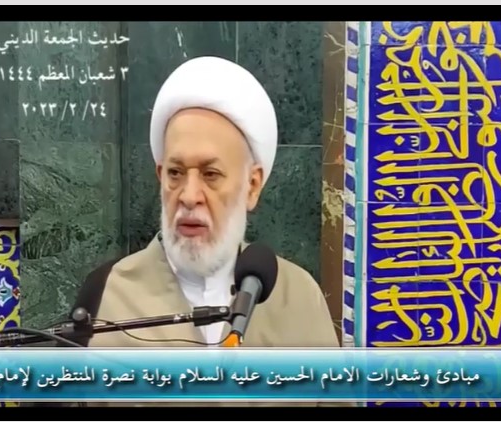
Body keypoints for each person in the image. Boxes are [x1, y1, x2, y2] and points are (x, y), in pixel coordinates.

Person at [71, 56, 345, 407]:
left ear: (252, 186)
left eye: (211, 174)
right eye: (175, 173)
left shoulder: (298, 298)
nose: (188, 196)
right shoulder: (108, 292)